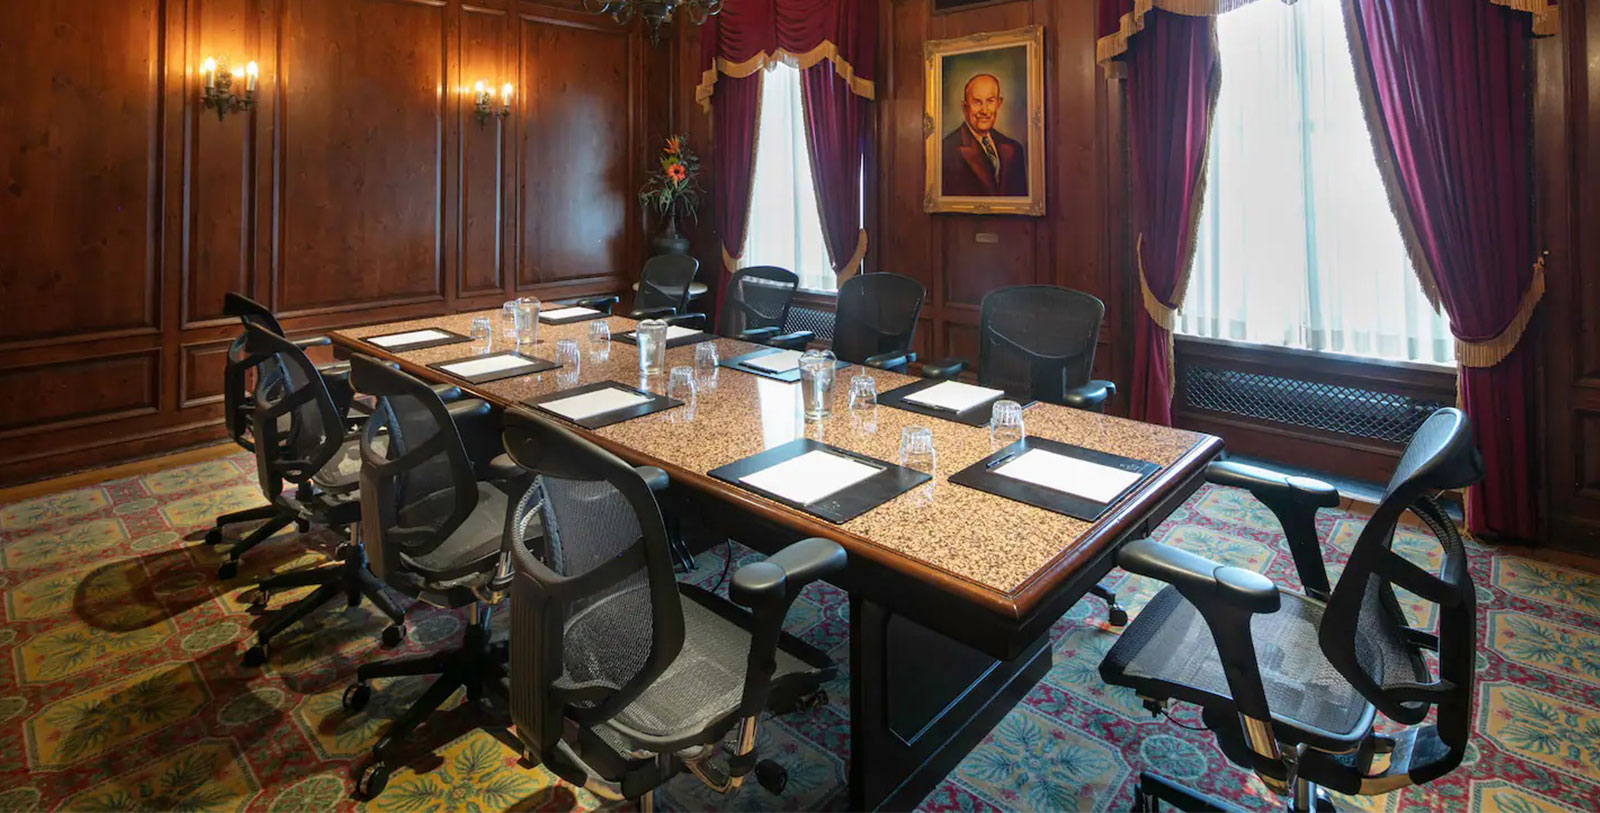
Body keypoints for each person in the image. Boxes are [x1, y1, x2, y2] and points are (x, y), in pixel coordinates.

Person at [941, 73, 1028, 197]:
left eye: (990, 101)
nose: (984, 111)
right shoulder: (946, 150)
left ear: (999, 103)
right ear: (965, 107)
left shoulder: (1014, 149)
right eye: (977, 102)